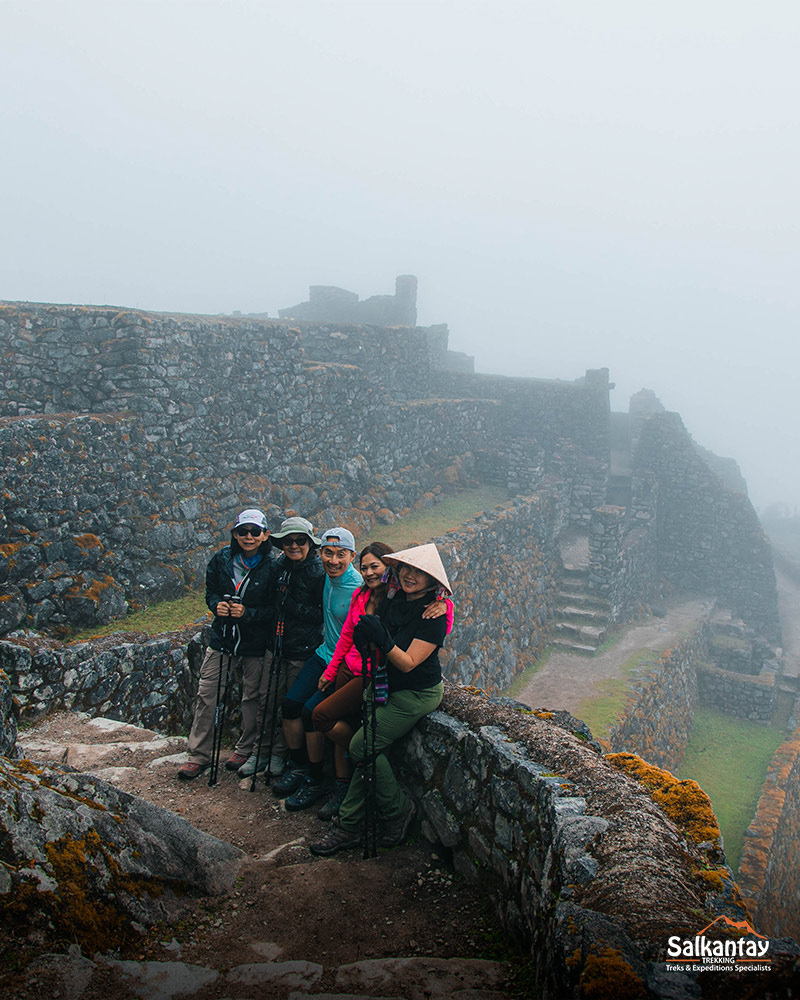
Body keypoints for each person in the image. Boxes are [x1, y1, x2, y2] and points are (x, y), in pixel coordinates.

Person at [309, 542, 452, 855]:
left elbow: (409, 662)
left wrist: (382, 639)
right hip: (385, 684)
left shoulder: (434, 615)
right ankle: (349, 825)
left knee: (362, 746)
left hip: (415, 693)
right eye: (406, 568)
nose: (410, 576)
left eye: (419, 572)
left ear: (432, 581)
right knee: (370, 751)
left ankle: (396, 810)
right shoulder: (395, 597)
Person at [177, 508, 276, 781]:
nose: (249, 536)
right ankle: (198, 756)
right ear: (234, 533)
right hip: (223, 638)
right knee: (207, 694)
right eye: (243, 531)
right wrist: (215, 606)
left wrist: (248, 614)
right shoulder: (221, 559)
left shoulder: (272, 565)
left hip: (255, 641)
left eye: (255, 532)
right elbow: (210, 592)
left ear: (265, 535)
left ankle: (245, 748)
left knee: (252, 698)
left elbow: (276, 608)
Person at [270, 527, 363, 809]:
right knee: (290, 705)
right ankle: (298, 766)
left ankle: (316, 777)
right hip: (323, 654)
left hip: (343, 663)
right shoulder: (325, 578)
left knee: (312, 712)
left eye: (340, 554)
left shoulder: (357, 587)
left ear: (352, 556)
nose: (333, 560)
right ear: (319, 553)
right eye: (328, 553)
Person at [236, 516, 326, 779]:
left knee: (290, 705)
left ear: (310, 543)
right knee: (267, 701)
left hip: (302, 649)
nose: (294, 546)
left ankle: (279, 754)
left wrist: (290, 606)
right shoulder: (279, 567)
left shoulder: (319, 573)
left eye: (300, 541)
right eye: (289, 541)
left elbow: (320, 614)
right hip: (275, 646)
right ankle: (259, 752)